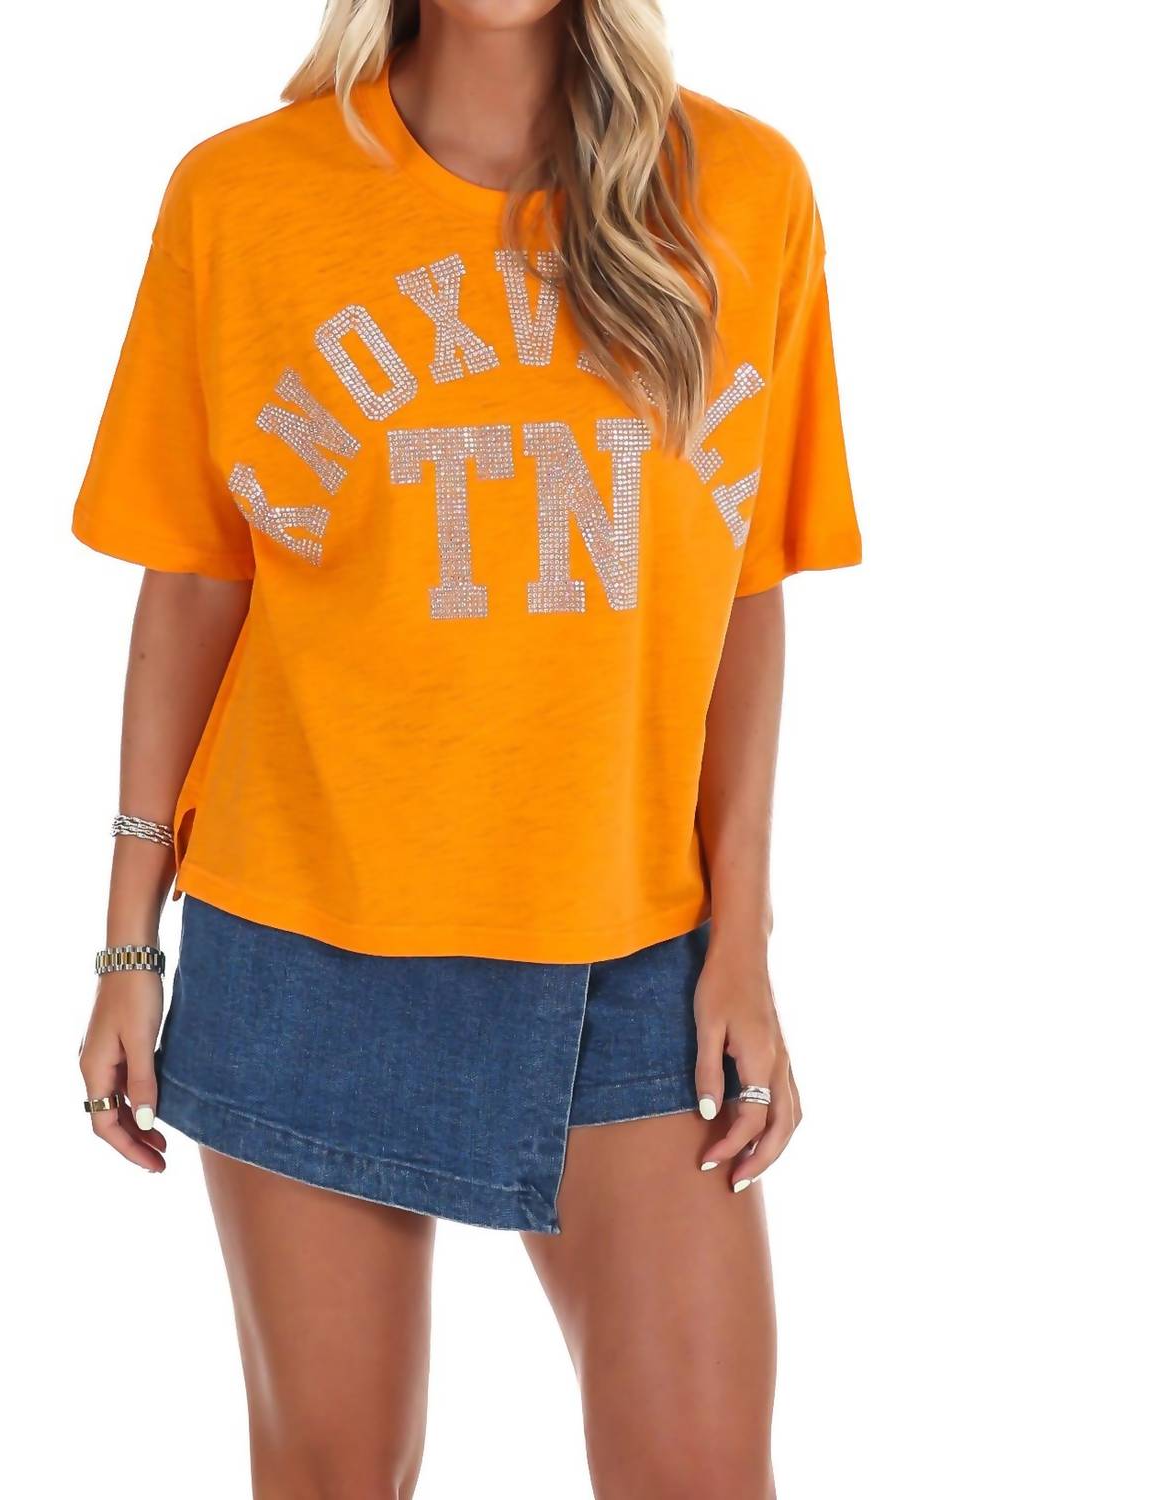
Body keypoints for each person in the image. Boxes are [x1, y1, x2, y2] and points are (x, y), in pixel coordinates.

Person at [73, 1, 860, 1493]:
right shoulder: (242, 195)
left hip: (631, 946)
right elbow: (194, 584)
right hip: (306, 937)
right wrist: (127, 944)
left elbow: (746, 587)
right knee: (331, 1475)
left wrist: (741, 942)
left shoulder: (742, 188)